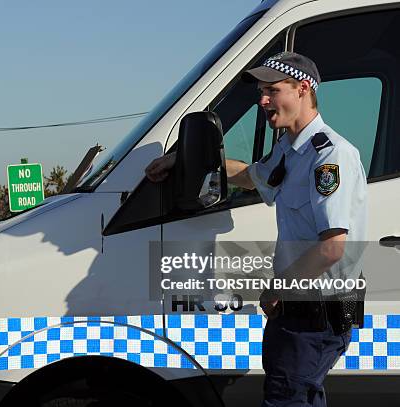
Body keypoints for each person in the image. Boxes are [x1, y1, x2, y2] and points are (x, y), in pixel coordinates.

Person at [145, 52, 367, 407]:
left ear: (303, 88)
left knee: (287, 401)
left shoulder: (330, 156)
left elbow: (332, 247)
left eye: (273, 90)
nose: (263, 100)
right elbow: (251, 176)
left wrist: (274, 290)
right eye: (261, 91)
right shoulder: (290, 150)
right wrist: (180, 160)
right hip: (299, 316)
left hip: (314, 315)